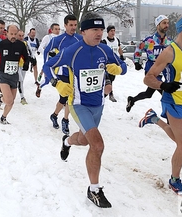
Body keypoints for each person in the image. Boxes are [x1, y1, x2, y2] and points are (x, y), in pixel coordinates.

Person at [43, 12, 127, 208]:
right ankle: (94, 189)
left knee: (83, 140)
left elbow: (123, 65)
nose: (99, 33)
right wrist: (57, 83)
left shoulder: (105, 50)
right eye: (94, 29)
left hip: (98, 105)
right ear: (83, 31)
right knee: (97, 145)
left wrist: (118, 68)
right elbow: (48, 65)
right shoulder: (73, 50)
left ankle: (67, 141)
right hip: (78, 104)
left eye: (101, 29)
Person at [138, 14, 182, 197]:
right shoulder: (170, 52)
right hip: (172, 102)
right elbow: (148, 78)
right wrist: (163, 85)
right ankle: (175, 181)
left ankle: (154, 119)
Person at [42, 14, 83, 134]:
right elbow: (46, 51)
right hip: (62, 72)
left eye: (75, 25)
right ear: (65, 25)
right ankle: (61, 118)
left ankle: (58, 117)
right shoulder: (58, 40)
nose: (73, 27)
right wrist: (46, 70)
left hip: (75, 72)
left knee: (70, 97)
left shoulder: (79, 39)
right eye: (70, 25)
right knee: (66, 96)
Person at [0, 25, 29, 124]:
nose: (13, 36)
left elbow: (26, 56)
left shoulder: (21, 45)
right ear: (6, 33)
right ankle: (1, 98)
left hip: (14, 76)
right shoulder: (2, 44)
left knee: (11, 101)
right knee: (8, 100)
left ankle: (3, 117)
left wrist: (26, 64)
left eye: (15, 34)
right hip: (2, 75)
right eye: (11, 34)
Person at [126, 15, 173, 112]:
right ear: (157, 25)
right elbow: (139, 48)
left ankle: (132, 100)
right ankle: (171, 117)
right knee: (166, 94)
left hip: (164, 71)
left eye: (168, 23)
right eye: (164, 23)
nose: (167, 25)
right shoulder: (150, 41)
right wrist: (136, 62)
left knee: (148, 94)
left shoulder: (169, 42)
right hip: (152, 71)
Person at [101, 25, 125, 102]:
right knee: (108, 79)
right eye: (111, 31)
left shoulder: (117, 40)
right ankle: (109, 94)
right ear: (108, 32)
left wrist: (121, 56)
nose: (113, 32)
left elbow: (119, 49)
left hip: (115, 63)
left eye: (114, 31)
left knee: (112, 79)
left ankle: (106, 93)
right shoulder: (104, 41)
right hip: (107, 63)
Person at [17, 30, 31, 105]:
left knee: (20, 82)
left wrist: (29, 61)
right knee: (20, 80)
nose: (21, 37)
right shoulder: (13, 43)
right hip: (16, 65)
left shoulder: (25, 43)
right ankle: (22, 97)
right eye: (19, 35)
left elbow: (29, 52)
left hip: (23, 65)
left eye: (22, 35)